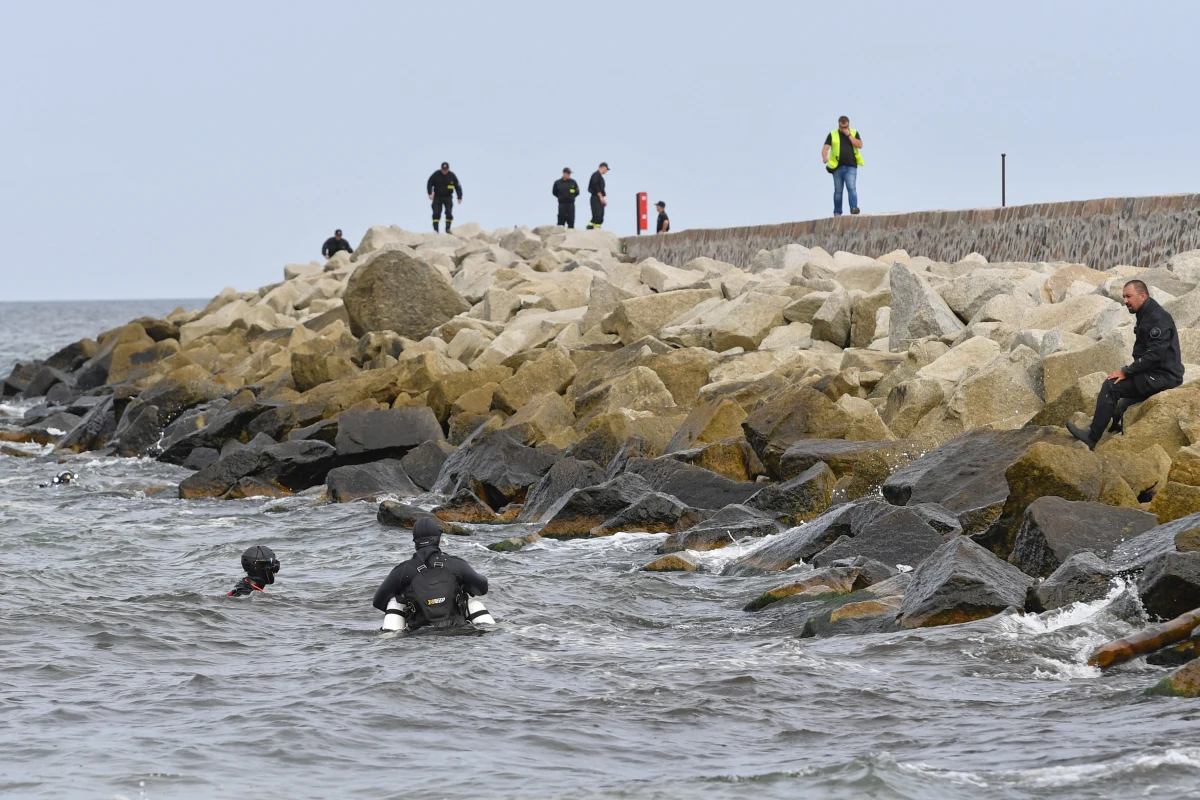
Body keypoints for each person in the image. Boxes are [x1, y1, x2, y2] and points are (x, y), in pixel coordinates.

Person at [1067, 280, 1184, 450]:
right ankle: (1118, 426)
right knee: (1126, 402)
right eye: (1124, 297)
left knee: (1111, 385)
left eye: (1129, 296)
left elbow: (1155, 355)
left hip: (1163, 377)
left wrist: (1127, 372)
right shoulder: (1146, 312)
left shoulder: (1157, 318)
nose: (1125, 301)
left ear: (1142, 296)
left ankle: (1091, 437)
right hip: (1156, 372)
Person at [372, 517, 488, 631]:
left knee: (394, 603)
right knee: (473, 603)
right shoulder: (456, 564)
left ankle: (389, 636)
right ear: (438, 538)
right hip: (457, 631)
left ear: (415, 542)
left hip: (419, 634)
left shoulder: (404, 570)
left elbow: (378, 601)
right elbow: (483, 588)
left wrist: (407, 599)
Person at [822, 116, 863, 216]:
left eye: (846, 127)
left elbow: (860, 145)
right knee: (838, 191)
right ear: (838, 125)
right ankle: (837, 212)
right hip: (837, 167)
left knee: (851, 188)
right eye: (842, 127)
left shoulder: (854, 132)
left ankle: (853, 208)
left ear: (848, 125)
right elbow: (825, 148)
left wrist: (849, 135)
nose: (844, 129)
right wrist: (825, 157)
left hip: (851, 166)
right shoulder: (833, 134)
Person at [427, 162, 463, 233]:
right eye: (443, 170)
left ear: (448, 169)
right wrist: (430, 193)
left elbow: (458, 187)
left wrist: (459, 197)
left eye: (446, 170)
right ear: (441, 169)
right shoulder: (436, 174)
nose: (444, 171)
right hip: (437, 197)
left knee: (449, 213)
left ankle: (448, 229)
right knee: (436, 213)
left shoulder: (452, 176)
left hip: (448, 197)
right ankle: (436, 230)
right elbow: (429, 183)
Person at [587, 162, 609, 229]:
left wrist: (602, 199)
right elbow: (596, 186)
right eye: (606, 169)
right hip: (595, 197)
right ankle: (590, 227)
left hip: (600, 198)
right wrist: (601, 197)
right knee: (597, 215)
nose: (606, 171)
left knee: (601, 217)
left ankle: (597, 229)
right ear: (603, 167)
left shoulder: (600, 177)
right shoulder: (596, 175)